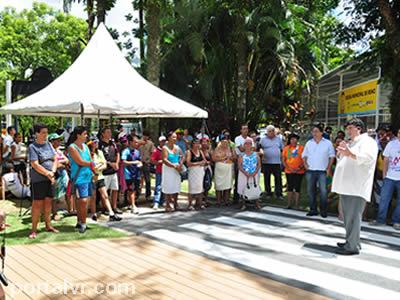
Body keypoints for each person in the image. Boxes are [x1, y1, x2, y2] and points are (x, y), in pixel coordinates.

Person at [332, 118, 378, 255]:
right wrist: (341, 153)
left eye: (350, 128)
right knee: (348, 217)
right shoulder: (353, 143)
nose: (348, 131)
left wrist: (349, 153)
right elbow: (345, 159)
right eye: (347, 129)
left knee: (353, 217)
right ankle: (352, 241)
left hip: (356, 187)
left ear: (359, 128)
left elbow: (367, 158)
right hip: (347, 186)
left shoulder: (368, 142)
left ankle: (352, 246)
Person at [28, 123, 59, 239]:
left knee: (48, 203)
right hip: (38, 180)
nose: (46, 135)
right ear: (37, 134)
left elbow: (55, 158)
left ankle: (48, 225)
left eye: (47, 132)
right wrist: (48, 173)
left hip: (50, 179)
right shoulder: (32, 147)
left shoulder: (49, 145)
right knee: (37, 205)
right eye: (43, 133)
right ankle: (34, 230)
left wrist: (53, 172)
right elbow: (35, 164)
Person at [302, 124, 335, 218]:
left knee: (323, 191)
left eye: (316, 131)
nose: (314, 133)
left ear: (321, 132)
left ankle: (323, 210)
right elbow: (304, 155)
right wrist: (305, 164)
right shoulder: (309, 143)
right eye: (313, 132)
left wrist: (329, 167)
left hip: (322, 171)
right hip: (310, 170)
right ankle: (313, 209)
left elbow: (332, 156)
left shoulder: (328, 143)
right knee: (310, 191)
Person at [370, 128, 400, 230]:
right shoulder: (391, 144)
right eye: (399, 133)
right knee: (384, 199)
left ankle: (396, 221)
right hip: (390, 177)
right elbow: (386, 160)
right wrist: (384, 175)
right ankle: (380, 220)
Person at [67, 126, 94, 234]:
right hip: (79, 178)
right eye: (85, 134)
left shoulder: (85, 147)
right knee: (82, 201)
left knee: (84, 201)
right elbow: (80, 161)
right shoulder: (72, 147)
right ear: (78, 135)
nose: (86, 136)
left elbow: (89, 159)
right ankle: (83, 222)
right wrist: (92, 164)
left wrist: (93, 168)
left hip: (88, 176)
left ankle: (80, 221)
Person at [88, 139, 121, 222]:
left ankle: (111, 213)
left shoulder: (99, 152)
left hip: (100, 176)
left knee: (105, 195)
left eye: (97, 142)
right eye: (95, 143)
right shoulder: (88, 154)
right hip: (92, 178)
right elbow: (90, 165)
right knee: (93, 197)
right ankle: (93, 214)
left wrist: (98, 167)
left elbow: (104, 165)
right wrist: (98, 166)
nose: (97, 144)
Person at [98, 127, 121, 214]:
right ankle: (105, 207)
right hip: (105, 171)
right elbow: (99, 157)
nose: (109, 134)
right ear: (103, 134)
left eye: (110, 132)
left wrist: (117, 163)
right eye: (107, 132)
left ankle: (114, 206)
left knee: (115, 189)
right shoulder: (100, 145)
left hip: (114, 171)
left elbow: (117, 153)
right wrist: (110, 163)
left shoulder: (113, 143)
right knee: (105, 191)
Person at [49, 133, 69, 221]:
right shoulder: (49, 152)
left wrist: (60, 162)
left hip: (63, 175)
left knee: (65, 192)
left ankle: (69, 209)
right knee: (55, 195)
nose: (59, 142)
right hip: (56, 175)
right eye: (57, 140)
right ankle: (54, 213)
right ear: (51, 141)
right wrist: (61, 163)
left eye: (59, 140)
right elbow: (53, 165)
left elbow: (67, 160)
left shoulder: (59, 151)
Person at [162, 131, 184, 212]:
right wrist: (173, 166)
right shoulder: (165, 148)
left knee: (176, 186)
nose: (175, 139)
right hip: (168, 169)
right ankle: (167, 204)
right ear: (169, 138)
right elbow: (164, 160)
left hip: (176, 168)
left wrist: (180, 164)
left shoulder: (177, 147)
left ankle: (175, 203)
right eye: (173, 137)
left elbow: (182, 156)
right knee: (168, 186)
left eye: (176, 137)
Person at [260, 125, 284, 199]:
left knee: (278, 178)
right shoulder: (263, 139)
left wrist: (282, 160)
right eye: (270, 131)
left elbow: (282, 149)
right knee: (267, 178)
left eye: (273, 131)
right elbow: (260, 148)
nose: (271, 132)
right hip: (266, 162)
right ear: (267, 132)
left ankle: (279, 194)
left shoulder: (279, 139)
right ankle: (268, 193)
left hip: (276, 162)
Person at [237, 138, 262, 210]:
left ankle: (257, 203)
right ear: (244, 145)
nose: (248, 145)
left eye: (249, 143)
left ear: (252, 145)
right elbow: (239, 165)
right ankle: (243, 204)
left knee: (255, 187)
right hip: (244, 174)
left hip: (254, 174)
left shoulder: (256, 154)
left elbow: (259, 164)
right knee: (243, 188)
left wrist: (255, 172)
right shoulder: (241, 155)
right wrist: (245, 173)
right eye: (246, 143)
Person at [282, 133, 305, 209]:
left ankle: (297, 205)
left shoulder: (301, 148)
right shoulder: (286, 148)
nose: (293, 140)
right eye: (291, 139)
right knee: (290, 187)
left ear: (297, 140)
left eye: (295, 139)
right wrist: (289, 168)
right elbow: (283, 160)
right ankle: (289, 204)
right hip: (289, 171)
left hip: (299, 171)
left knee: (297, 187)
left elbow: (305, 159)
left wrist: (300, 167)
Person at [213, 135, 236, 206]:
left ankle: (226, 201)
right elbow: (213, 159)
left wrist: (232, 157)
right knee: (219, 185)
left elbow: (235, 158)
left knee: (228, 185)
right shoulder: (217, 149)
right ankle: (218, 201)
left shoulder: (231, 148)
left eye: (226, 141)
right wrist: (223, 158)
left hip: (228, 168)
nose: (225, 143)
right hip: (219, 169)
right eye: (223, 141)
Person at [122, 136, 142, 214]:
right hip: (128, 174)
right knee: (131, 190)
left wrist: (140, 163)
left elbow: (139, 161)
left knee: (136, 189)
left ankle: (131, 203)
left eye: (137, 142)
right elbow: (123, 162)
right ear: (130, 142)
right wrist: (133, 163)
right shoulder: (126, 151)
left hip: (137, 173)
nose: (137, 144)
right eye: (135, 142)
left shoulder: (137, 152)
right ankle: (133, 205)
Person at [187, 139, 207, 210]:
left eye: (198, 143)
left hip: (200, 172)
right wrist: (198, 163)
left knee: (200, 188)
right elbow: (188, 163)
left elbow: (204, 160)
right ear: (192, 144)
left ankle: (199, 203)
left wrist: (203, 163)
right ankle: (190, 204)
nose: (197, 145)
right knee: (192, 188)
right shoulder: (189, 152)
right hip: (193, 172)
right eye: (196, 143)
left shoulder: (200, 152)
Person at [234, 124, 250, 202]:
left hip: (248, 162)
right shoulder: (237, 138)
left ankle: (248, 196)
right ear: (241, 130)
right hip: (239, 161)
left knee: (247, 179)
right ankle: (236, 198)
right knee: (238, 180)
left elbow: (253, 149)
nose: (245, 130)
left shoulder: (250, 139)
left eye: (246, 129)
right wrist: (248, 148)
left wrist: (246, 148)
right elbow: (241, 149)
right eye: (244, 129)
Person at [151, 136, 166, 209]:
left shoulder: (166, 150)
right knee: (158, 187)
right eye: (162, 141)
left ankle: (163, 201)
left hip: (166, 171)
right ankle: (156, 202)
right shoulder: (156, 151)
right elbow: (153, 161)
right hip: (159, 171)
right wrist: (160, 162)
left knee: (165, 186)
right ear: (159, 142)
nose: (163, 142)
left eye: (164, 141)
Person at [140, 130, 155, 202]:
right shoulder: (139, 142)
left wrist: (149, 160)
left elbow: (152, 152)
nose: (145, 137)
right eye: (144, 135)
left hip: (146, 163)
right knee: (137, 179)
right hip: (139, 162)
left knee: (147, 179)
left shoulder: (150, 143)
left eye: (146, 135)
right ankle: (137, 193)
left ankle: (148, 194)